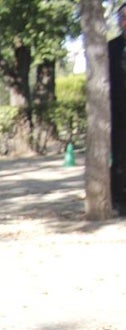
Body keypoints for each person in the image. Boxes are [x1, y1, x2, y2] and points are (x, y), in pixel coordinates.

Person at [110, 3, 126, 215]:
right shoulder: (111, 48)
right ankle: (120, 200)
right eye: (122, 17)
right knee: (121, 157)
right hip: (119, 112)